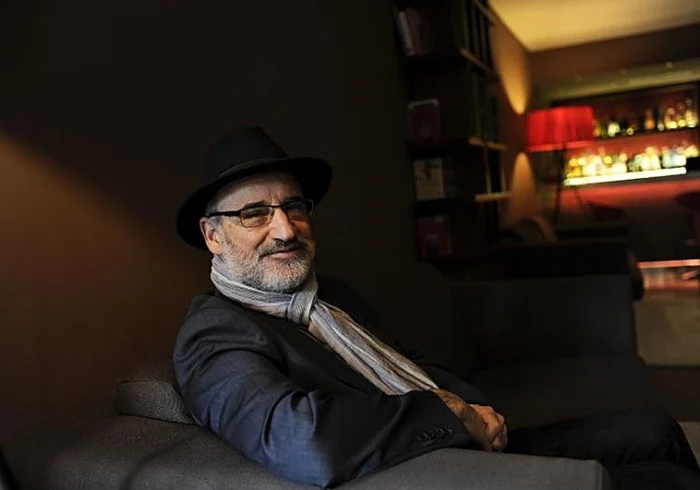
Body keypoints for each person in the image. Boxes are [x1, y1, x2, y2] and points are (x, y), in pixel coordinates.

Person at [173, 126, 700, 489]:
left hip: (470, 440)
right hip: (436, 469)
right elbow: (301, 440)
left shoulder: (331, 295)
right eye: (254, 214)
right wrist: (452, 415)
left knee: (656, 429)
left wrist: (478, 411)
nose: (285, 229)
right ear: (212, 236)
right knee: (669, 479)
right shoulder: (214, 332)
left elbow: (411, 362)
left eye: (293, 207)